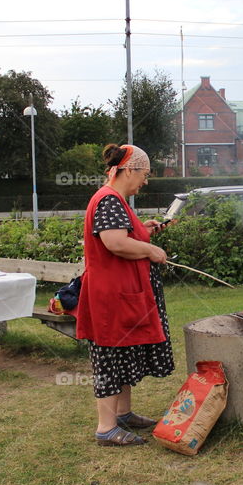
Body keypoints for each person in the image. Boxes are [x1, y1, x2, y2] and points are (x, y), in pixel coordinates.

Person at [76, 143, 173, 447]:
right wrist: (150, 250)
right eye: (144, 174)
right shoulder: (109, 199)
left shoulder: (117, 200)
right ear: (129, 169)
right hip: (111, 296)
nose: (145, 180)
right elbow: (115, 243)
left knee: (125, 352)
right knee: (110, 357)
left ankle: (123, 413)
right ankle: (106, 427)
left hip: (122, 293)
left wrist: (143, 230)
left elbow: (122, 234)